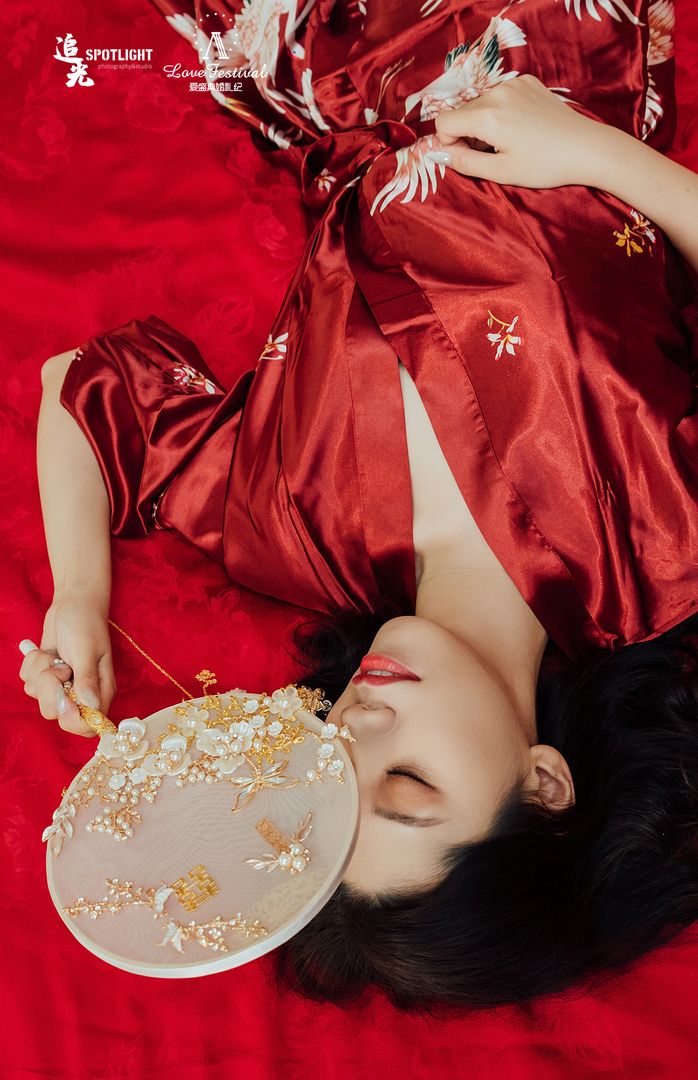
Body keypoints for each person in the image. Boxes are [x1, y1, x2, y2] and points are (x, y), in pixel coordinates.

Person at [21, 0, 698, 1008]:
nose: (363, 725)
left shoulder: (286, 531)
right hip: (545, 48)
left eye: (334, 769)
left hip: (324, 55)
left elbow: (80, 383)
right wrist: (598, 155)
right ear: (543, 784)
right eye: (408, 786)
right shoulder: (661, 545)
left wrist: (77, 597)